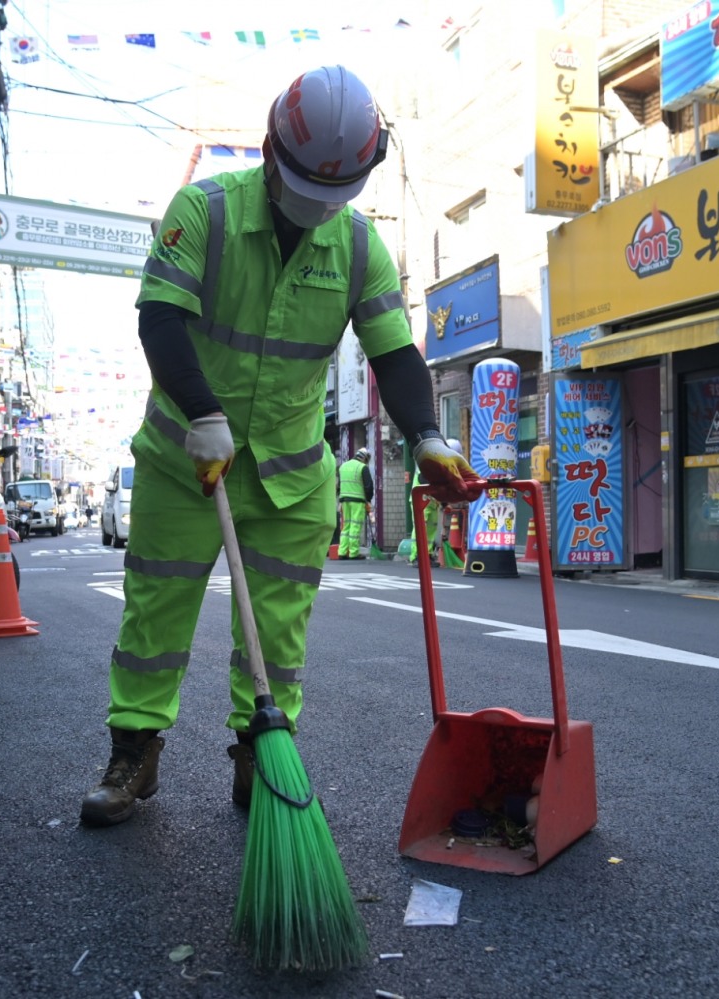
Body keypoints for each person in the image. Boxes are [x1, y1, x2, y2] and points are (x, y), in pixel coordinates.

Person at [79, 65, 480, 827]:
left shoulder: (358, 244)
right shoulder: (205, 211)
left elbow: (393, 352)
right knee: (155, 616)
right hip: (187, 463)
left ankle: (260, 756)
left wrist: (426, 436)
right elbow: (160, 317)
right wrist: (202, 411)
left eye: (334, 199)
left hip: (294, 476)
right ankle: (134, 751)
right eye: (305, 194)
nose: (315, 213)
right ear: (268, 150)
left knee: (277, 634)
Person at [409, 438, 463, 566]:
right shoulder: (431, 460)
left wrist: (444, 502)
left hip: (432, 502)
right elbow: (423, 480)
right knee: (420, 528)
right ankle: (416, 556)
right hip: (421, 501)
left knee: (431, 529)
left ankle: (427, 555)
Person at [336, 447, 373, 559]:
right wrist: (369, 500)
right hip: (357, 500)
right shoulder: (362, 467)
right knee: (355, 526)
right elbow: (368, 486)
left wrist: (340, 500)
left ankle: (342, 552)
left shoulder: (343, 466)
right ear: (364, 458)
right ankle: (353, 552)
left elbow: (339, 485)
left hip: (344, 500)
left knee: (346, 526)